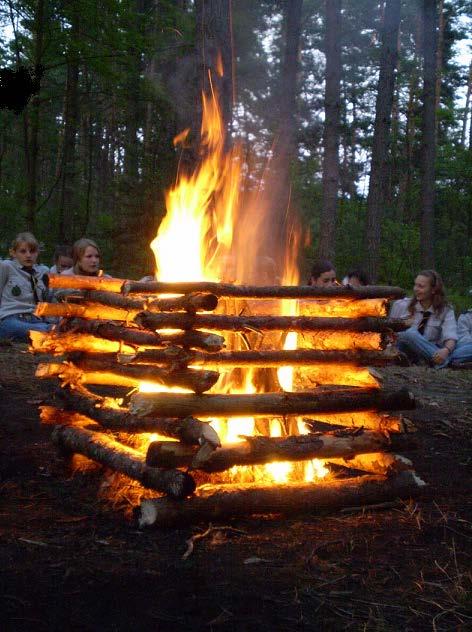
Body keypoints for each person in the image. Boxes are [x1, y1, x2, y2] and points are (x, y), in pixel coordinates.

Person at [389, 270, 457, 368]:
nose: (415, 289)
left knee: (461, 349)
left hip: (428, 351)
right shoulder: (401, 305)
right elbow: (389, 333)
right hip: (403, 349)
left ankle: (436, 360)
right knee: (409, 334)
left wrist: (446, 350)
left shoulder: (445, 310)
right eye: (415, 285)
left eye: (421, 286)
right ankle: (443, 363)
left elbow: (451, 336)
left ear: (433, 290)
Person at [0, 232, 53, 342]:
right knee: (12, 328)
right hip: (12, 317)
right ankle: (45, 332)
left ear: (38, 253)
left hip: (36, 318)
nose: (28, 255)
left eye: (32, 251)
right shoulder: (6, 267)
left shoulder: (44, 272)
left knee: (49, 327)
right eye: (23, 251)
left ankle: (44, 332)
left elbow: (49, 299)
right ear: (13, 253)